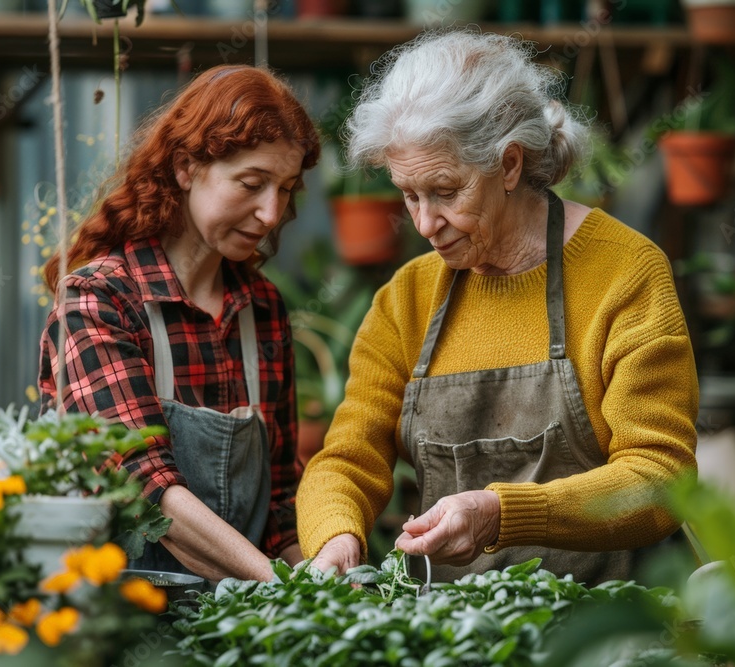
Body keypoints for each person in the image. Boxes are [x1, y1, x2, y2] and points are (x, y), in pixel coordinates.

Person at [297, 31, 699, 586]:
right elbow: (346, 460)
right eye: (408, 194)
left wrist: (499, 513)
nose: (423, 223)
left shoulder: (624, 272)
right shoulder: (406, 299)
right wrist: (336, 535)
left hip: (605, 624)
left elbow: (660, 479)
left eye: (444, 190)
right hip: (454, 629)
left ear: (510, 165)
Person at [38, 65, 320, 583]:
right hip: (117, 620)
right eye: (252, 184)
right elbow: (145, 491)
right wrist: (282, 588)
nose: (271, 214)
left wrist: (323, 584)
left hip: (239, 623)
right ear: (186, 167)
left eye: (285, 188)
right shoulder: (98, 299)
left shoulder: (263, 309)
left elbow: (280, 501)